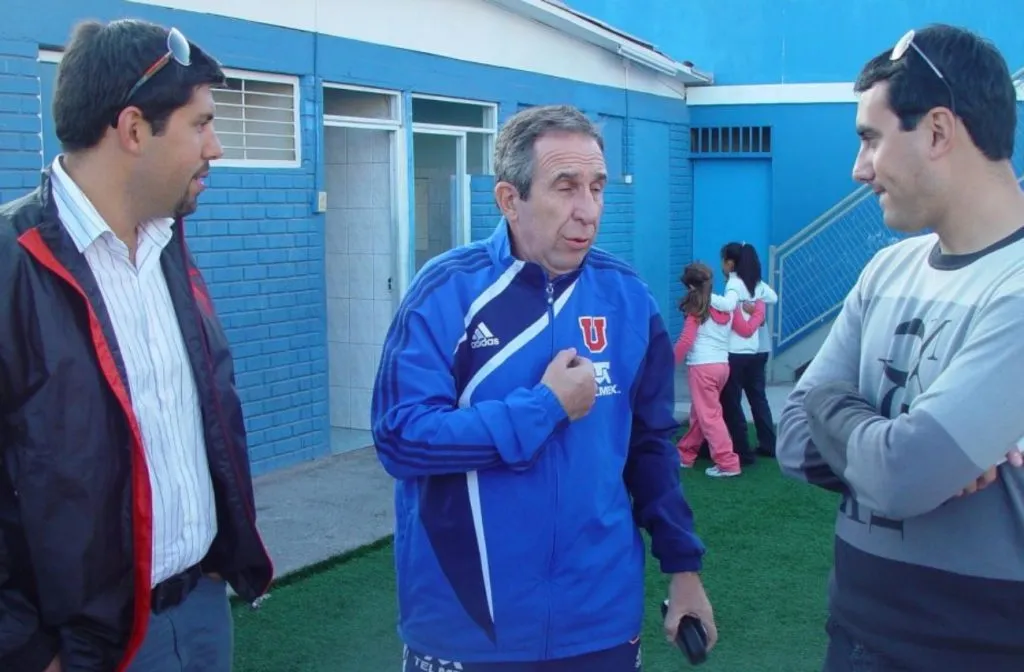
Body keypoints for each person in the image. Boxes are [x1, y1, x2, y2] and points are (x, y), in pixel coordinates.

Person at [371, 104, 717, 670]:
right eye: (565, 187)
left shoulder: (627, 298)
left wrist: (683, 570)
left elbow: (651, 445)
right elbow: (400, 438)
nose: (588, 211)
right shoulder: (445, 292)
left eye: (598, 187)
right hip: (468, 623)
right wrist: (545, 407)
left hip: (599, 622)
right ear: (510, 199)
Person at [0, 19, 273, 672]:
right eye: (200, 124)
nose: (218, 147)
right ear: (132, 130)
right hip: (84, 646)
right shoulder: (13, 266)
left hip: (202, 609)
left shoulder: (169, 244)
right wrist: (25, 649)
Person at [776, 23, 1024, 672]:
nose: (860, 169)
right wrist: (888, 446)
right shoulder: (887, 271)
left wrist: (832, 406)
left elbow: (904, 476)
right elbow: (792, 440)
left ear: (938, 132)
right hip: (854, 634)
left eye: (870, 139)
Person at [674, 262, 760, 477]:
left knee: (709, 416)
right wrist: (759, 312)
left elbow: (685, 340)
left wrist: (666, 364)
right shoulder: (729, 306)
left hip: (702, 367)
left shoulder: (696, 307)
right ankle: (685, 455)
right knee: (701, 414)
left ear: (691, 287)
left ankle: (727, 462)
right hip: (722, 367)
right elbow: (745, 330)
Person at [719, 242, 778, 462]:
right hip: (757, 351)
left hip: (737, 352)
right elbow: (774, 297)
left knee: (732, 401)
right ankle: (769, 443)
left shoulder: (734, 284)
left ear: (732, 263)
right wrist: (756, 304)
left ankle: (740, 448)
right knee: (758, 398)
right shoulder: (758, 284)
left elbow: (727, 305)